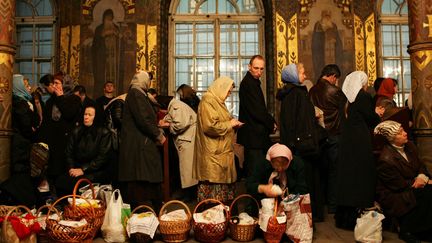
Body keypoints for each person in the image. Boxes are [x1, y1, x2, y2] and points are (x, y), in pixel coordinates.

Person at [335, 71, 384, 230]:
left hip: (346, 140)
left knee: (348, 177)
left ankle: (344, 217)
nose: (367, 84)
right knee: (361, 176)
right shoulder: (362, 97)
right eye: (366, 82)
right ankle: (360, 216)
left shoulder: (344, 98)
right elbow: (370, 119)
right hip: (360, 141)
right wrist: (377, 114)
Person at [277, 63, 326, 222]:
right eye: (302, 73)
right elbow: (298, 123)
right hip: (303, 147)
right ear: (293, 75)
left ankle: (303, 219)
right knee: (305, 184)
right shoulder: (297, 94)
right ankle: (307, 219)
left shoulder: (289, 94)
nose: (305, 76)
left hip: (296, 146)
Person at [374, 120, 432, 242]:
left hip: (410, 185)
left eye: (403, 130)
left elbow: (421, 165)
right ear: (391, 138)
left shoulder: (410, 145)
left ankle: (425, 229)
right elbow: (398, 185)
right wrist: (422, 182)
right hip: (394, 195)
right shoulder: (386, 159)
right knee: (426, 192)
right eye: (400, 133)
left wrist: (422, 176)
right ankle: (408, 230)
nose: (405, 133)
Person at [118, 71, 166, 210]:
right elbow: (144, 119)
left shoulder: (140, 94)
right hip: (139, 144)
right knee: (141, 179)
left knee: (145, 178)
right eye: (148, 80)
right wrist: (159, 135)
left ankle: (149, 208)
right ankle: (145, 210)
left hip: (140, 142)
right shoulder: (136, 94)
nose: (150, 83)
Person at [194, 76, 243, 204]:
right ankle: (212, 223)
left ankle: (223, 221)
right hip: (213, 155)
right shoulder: (208, 101)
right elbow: (209, 126)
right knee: (213, 199)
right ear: (221, 88)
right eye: (228, 91)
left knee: (224, 198)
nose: (228, 95)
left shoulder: (217, 101)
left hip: (221, 153)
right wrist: (230, 124)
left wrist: (233, 124)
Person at [309, 64, 347, 214]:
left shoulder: (312, 91)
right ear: (332, 76)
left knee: (320, 170)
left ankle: (321, 203)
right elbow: (345, 113)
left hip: (318, 135)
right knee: (334, 171)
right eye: (336, 79)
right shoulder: (335, 91)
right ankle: (332, 205)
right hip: (334, 134)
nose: (336, 82)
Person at [55, 105, 112, 197]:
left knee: (78, 185)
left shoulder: (104, 133)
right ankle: (66, 208)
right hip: (76, 168)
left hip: (95, 171)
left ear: (96, 117)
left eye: (90, 115)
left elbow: (102, 157)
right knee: (61, 181)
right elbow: (69, 152)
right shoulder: (77, 131)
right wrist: (71, 168)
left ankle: (81, 209)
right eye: (85, 114)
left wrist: (83, 169)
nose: (86, 117)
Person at [38, 73, 81, 190]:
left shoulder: (74, 99)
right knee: (51, 176)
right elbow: (46, 124)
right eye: (53, 83)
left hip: (66, 144)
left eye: (57, 83)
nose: (54, 85)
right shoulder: (50, 101)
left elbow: (68, 114)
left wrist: (61, 97)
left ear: (65, 84)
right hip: (52, 144)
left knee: (64, 178)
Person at [238, 55, 276, 177]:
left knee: (258, 171)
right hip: (253, 136)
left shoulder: (252, 82)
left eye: (261, 69)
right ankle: (254, 196)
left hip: (255, 136)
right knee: (255, 172)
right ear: (249, 67)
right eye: (256, 68)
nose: (259, 72)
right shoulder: (248, 84)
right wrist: (271, 123)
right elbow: (257, 111)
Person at [160, 84, 199, 201]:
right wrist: (165, 120)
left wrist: (168, 125)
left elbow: (181, 124)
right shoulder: (176, 105)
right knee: (188, 171)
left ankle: (189, 196)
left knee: (187, 171)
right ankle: (189, 195)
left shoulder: (175, 105)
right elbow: (173, 117)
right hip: (189, 139)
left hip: (188, 140)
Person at [92, 9, 121, 97]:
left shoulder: (116, 28)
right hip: (102, 58)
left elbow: (120, 42)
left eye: (110, 19)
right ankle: (101, 94)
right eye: (107, 18)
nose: (109, 20)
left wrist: (118, 37)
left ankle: (114, 94)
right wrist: (103, 35)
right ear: (104, 18)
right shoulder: (99, 29)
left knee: (113, 75)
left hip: (113, 59)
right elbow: (95, 45)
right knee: (102, 77)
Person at [312, 10, 343, 80]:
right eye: (326, 16)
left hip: (332, 53)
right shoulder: (318, 25)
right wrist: (324, 41)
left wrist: (336, 42)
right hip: (322, 53)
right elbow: (316, 41)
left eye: (329, 16)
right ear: (322, 16)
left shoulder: (333, 25)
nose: (327, 18)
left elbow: (338, 40)